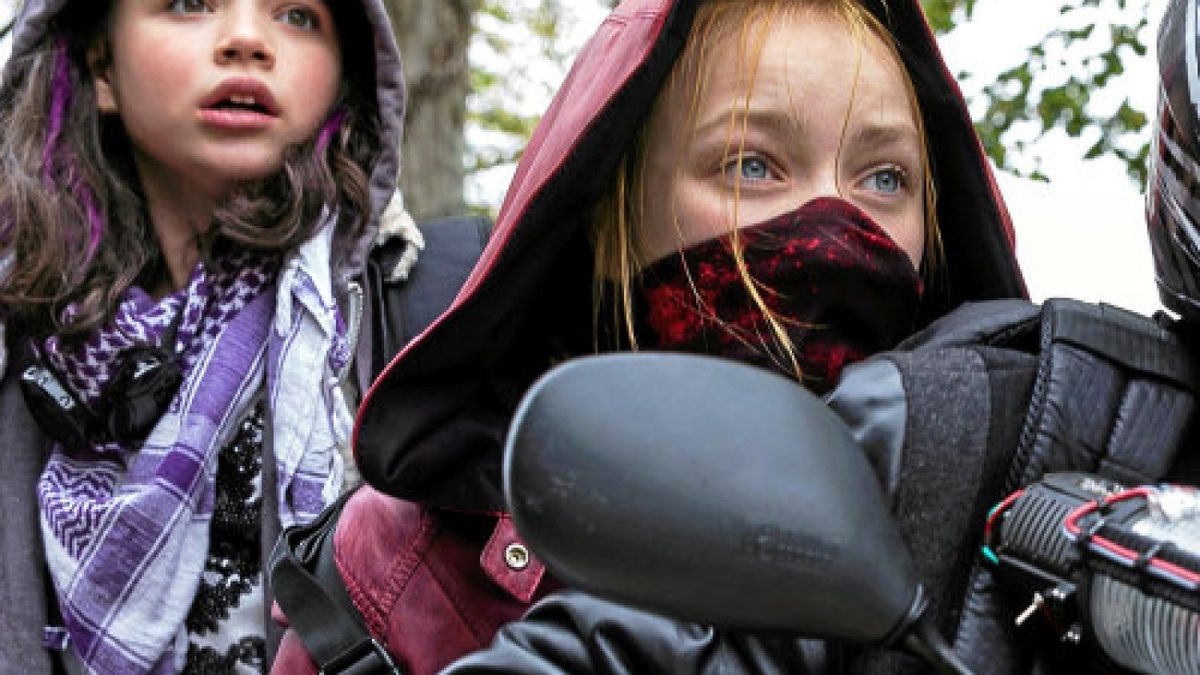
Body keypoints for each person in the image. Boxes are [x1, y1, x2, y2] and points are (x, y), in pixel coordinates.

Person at [271, 0, 1038, 673]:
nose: (835, 228)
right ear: (607, 218)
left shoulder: (1015, 548)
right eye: (751, 164)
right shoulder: (389, 575)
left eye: (885, 180)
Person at [0, 0, 420, 672]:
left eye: (298, 15)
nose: (248, 40)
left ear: (348, 74)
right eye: (192, 3)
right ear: (100, 63)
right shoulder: (18, 332)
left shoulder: (422, 319)